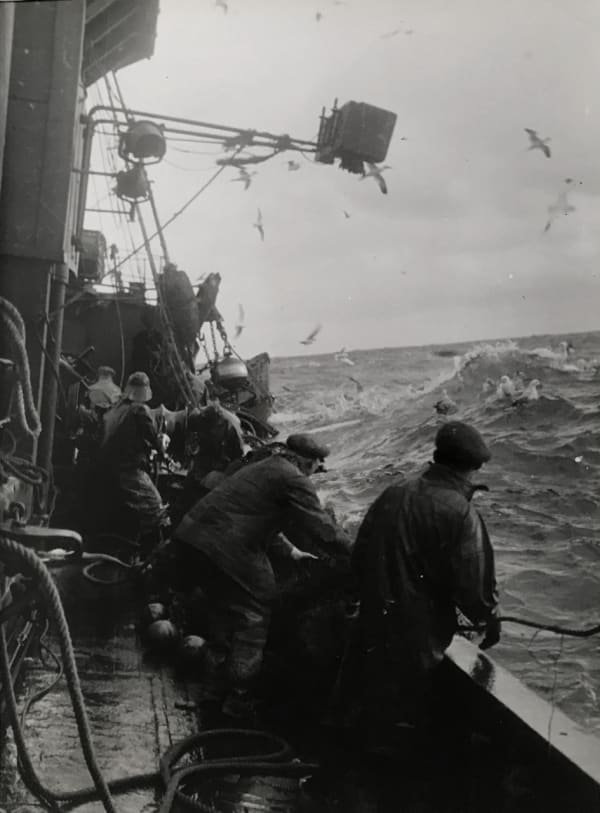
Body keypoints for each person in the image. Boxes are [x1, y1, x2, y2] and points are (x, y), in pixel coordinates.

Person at [330, 420, 499, 756]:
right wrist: (489, 619)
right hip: (418, 637)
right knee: (407, 718)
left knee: (361, 708)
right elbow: (474, 588)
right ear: (470, 469)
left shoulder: (393, 492)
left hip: (372, 623)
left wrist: (351, 599)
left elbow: (358, 554)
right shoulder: (461, 512)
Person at [167, 433, 352, 718]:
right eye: (317, 466)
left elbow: (251, 514)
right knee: (256, 610)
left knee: (224, 615)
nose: (317, 472)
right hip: (225, 546)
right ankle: (238, 699)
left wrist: (292, 553)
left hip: (193, 540)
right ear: (307, 462)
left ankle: (212, 694)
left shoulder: (265, 466)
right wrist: (357, 550)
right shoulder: (295, 479)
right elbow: (323, 528)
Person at [99, 371, 170, 548]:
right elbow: (153, 437)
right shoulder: (140, 409)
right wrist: (163, 453)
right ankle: (153, 551)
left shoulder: (117, 408)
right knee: (155, 508)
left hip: (109, 467)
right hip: (128, 470)